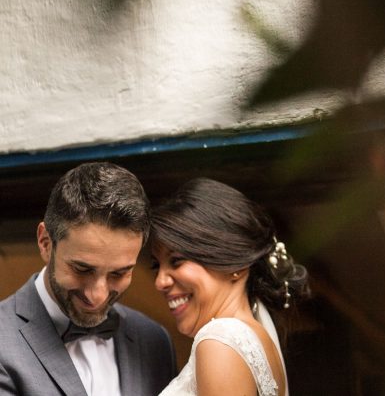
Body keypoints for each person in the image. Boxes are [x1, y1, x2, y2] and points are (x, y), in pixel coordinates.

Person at [0, 161, 176, 396]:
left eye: (119, 273)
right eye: (82, 269)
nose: (98, 295)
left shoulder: (155, 340)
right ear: (45, 243)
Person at [149, 178, 309, 396]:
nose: (160, 282)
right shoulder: (256, 337)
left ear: (237, 265)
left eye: (176, 260)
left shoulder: (220, 340)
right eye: (157, 266)